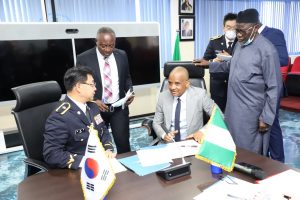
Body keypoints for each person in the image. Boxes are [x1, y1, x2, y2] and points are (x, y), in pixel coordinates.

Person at [194, 9, 282, 156]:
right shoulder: (240, 44)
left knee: (250, 154)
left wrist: (266, 117)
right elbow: (231, 65)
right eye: (237, 30)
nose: (238, 35)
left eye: (242, 31)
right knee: (233, 148)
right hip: (233, 109)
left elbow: (275, 87)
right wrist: (209, 64)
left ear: (255, 27)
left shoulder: (267, 50)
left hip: (251, 114)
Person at [43, 66, 115, 169]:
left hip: (101, 164)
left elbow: (103, 130)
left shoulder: (93, 106)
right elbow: (51, 154)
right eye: (92, 84)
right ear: (79, 87)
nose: (95, 88)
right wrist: (86, 162)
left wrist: (108, 149)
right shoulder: (60, 117)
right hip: (78, 170)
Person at [76, 27, 134, 154]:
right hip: (96, 110)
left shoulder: (122, 55)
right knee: (98, 145)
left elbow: (127, 77)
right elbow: (79, 86)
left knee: (123, 144)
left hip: (118, 108)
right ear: (96, 42)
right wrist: (93, 101)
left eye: (111, 45)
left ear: (115, 42)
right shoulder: (83, 58)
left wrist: (130, 92)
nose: (107, 50)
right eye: (103, 46)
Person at [256, 9, 289, 163]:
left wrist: (259, 58)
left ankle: (278, 161)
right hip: (255, 91)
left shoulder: (274, 33)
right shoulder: (248, 38)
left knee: (272, 125)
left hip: (271, 89)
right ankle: (263, 158)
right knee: (260, 126)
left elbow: (283, 59)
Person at [152, 67, 216, 143]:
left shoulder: (200, 95)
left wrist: (202, 132)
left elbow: (219, 116)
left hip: (192, 142)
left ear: (187, 84)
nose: (172, 87)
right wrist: (163, 135)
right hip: (169, 144)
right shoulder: (163, 96)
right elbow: (156, 122)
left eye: (177, 83)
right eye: (170, 83)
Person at [196, 13, 237, 112]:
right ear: (224, 28)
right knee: (217, 116)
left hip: (235, 87)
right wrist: (214, 61)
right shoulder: (215, 41)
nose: (231, 30)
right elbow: (205, 61)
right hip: (217, 87)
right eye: (228, 27)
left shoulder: (241, 43)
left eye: (234, 28)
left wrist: (231, 58)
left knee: (233, 117)